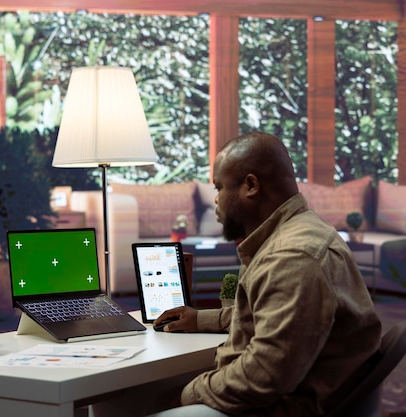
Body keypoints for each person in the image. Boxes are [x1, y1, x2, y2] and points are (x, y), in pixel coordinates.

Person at [150, 131, 382, 417]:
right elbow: (270, 314)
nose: (216, 201)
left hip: (279, 408)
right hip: (286, 398)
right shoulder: (296, 233)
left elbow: (263, 377)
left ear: (250, 186)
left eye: (219, 188)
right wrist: (199, 318)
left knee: (157, 399)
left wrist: (190, 393)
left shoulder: (293, 257)